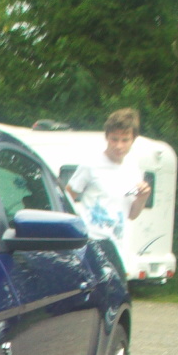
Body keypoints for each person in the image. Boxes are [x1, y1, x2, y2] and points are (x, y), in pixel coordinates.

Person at [65, 108, 151, 276]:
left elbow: (132, 214)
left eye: (125, 140)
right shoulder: (91, 164)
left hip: (118, 246)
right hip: (92, 242)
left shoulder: (134, 168)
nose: (118, 145)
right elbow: (66, 198)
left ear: (133, 139)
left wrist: (143, 198)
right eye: (114, 139)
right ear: (106, 137)